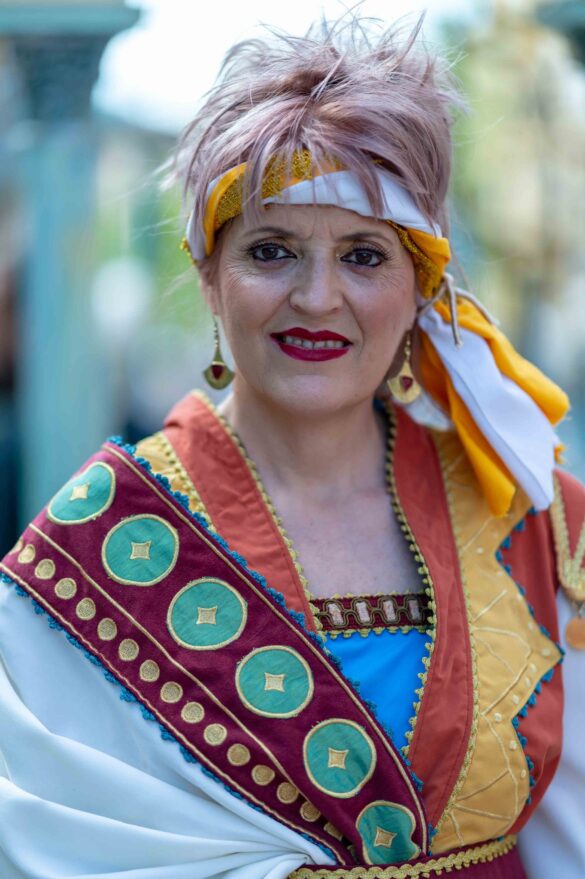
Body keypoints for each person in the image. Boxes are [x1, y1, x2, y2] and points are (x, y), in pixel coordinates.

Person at [0, 15, 583, 879]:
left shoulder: (532, 517)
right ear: (209, 273)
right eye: (271, 251)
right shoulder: (92, 544)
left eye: (363, 255)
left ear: (421, 285)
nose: (316, 297)